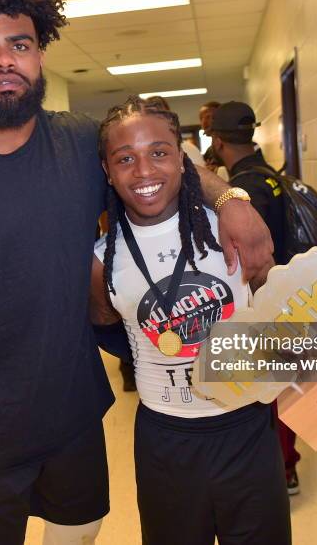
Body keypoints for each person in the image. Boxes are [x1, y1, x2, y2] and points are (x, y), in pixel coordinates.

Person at [0, 0, 273, 544]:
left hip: (73, 421)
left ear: (39, 56)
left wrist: (231, 197)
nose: (4, 60)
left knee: (82, 532)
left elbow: (160, 157)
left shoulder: (82, 143)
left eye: (20, 45)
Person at [90, 96, 290, 545]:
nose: (144, 172)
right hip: (166, 439)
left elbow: (277, 307)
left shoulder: (231, 228)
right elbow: (105, 324)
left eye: (159, 153)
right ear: (107, 170)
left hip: (247, 428)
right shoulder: (104, 260)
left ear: (183, 159)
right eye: (126, 159)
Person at [211, 100, 301, 494]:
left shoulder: (240, 192)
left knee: (272, 397)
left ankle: (281, 472)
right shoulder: (271, 176)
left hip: (267, 305)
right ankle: (287, 467)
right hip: (289, 297)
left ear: (216, 141)